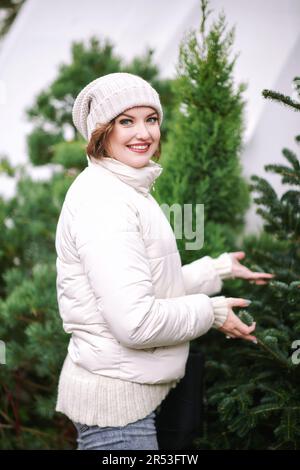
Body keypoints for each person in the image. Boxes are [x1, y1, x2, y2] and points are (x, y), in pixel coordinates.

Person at [54, 72, 274, 450]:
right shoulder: (105, 202)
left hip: (131, 394)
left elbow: (143, 287)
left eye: (151, 119)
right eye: (126, 121)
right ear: (101, 132)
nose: (144, 133)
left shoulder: (126, 187)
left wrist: (214, 271)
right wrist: (211, 312)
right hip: (117, 413)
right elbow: (136, 323)